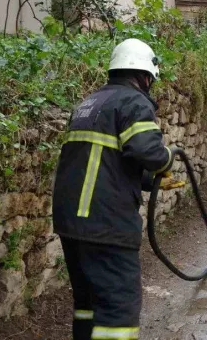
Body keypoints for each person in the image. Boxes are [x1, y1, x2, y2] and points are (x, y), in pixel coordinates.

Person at [52, 38, 183, 340]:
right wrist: (166, 161)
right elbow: (147, 151)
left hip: (73, 222)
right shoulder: (133, 102)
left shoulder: (89, 104)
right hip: (106, 224)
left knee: (88, 304)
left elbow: (105, 163)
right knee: (118, 310)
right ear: (144, 76)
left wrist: (151, 182)